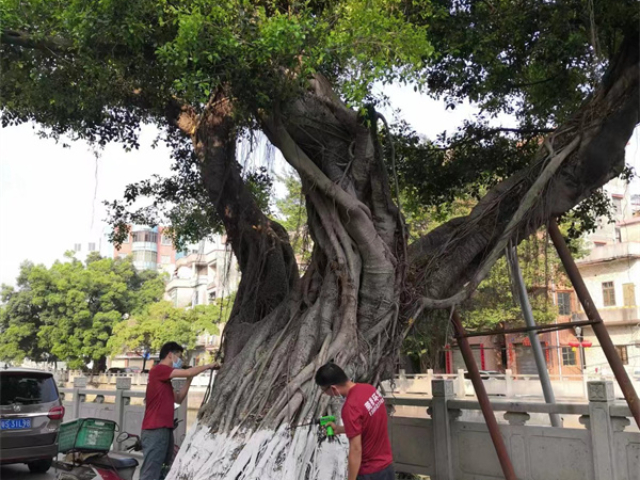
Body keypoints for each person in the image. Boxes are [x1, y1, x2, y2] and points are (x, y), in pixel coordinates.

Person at [139, 341, 219, 480]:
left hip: (164, 429)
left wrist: (189, 380)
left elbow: (178, 399)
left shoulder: (165, 381)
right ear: (170, 355)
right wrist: (210, 365)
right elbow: (187, 371)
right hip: (155, 429)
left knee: (163, 469)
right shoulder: (159, 370)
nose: (180, 360)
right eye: (179, 356)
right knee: (151, 471)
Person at [315, 363, 394, 480]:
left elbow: (356, 450)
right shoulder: (370, 389)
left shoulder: (350, 407)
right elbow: (368, 424)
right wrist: (339, 429)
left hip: (369, 473)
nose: (325, 394)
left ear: (333, 388)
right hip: (387, 467)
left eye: (324, 390)